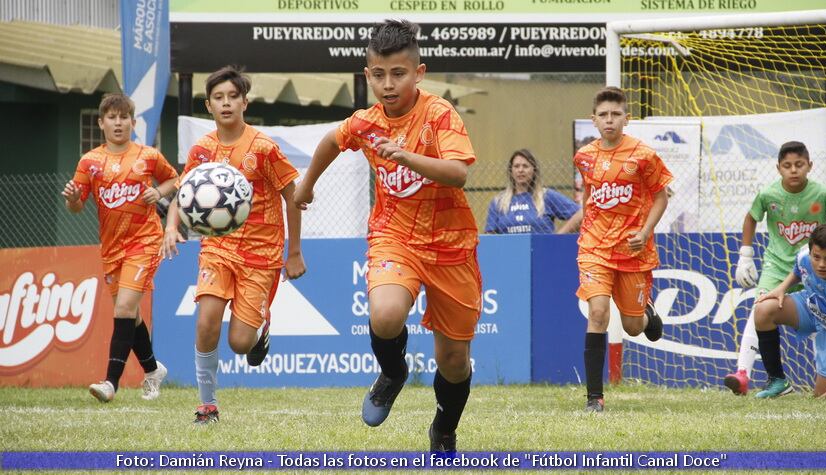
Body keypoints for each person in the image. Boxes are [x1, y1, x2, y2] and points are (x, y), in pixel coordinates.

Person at [293, 20, 480, 452]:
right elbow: (331, 141)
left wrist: (407, 156)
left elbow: (459, 173)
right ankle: (393, 373)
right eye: (379, 75)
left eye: (398, 74)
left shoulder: (439, 114)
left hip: (452, 246)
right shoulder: (365, 122)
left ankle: (444, 428)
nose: (388, 84)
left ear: (419, 72)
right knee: (385, 315)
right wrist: (307, 185)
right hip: (394, 236)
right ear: (367, 76)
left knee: (453, 363)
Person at [161, 66, 306, 424]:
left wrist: (295, 253)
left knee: (240, 343)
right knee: (206, 320)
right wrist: (170, 226)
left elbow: (293, 196)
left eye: (232, 97)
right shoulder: (201, 150)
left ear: (245, 102)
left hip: (261, 256)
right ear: (208, 106)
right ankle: (207, 406)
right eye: (218, 98)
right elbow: (184, 193)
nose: (226, 103)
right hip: (217, 249)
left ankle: (261, 328)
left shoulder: (264, 149)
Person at [62, 93, 176, 403]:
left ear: (133, 122)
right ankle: (153, 370)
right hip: (111, 247)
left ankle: (110, 382)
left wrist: (159, 191)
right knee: (131, 315)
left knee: (124, 308)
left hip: (145, 241)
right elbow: (76, 206)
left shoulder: (148, 156)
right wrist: (73, 198)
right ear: (101, 123)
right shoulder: (90, 161)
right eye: (111, 117)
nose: (118, 122)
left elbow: (174, 180)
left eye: (123, 117)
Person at [574, 86, 672, 413]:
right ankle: (594, 398)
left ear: (626, 119)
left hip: (633, 250)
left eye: (616, 114)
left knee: (631, 327)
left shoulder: (643, 155)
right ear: (594, 120)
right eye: (603, 115)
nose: (610, 120)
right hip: (594, 248)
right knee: (598, 312)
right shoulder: (584, 156)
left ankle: (646, 313)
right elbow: (590, 196)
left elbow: (661, 195)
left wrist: (645, 232)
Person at [725, 141, 826, 396]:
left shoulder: (824, 194)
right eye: (787, 166)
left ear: (810, 165)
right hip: (779, 266)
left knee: (823, 319)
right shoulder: (768, 194)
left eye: (799, 164)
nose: (794, 170)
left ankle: (824, 378)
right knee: (761, 308)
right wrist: (746, 255)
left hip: (817, 266)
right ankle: (744, 373)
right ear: (778, 169)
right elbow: (751, 217)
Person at [753, 223, 826, 398]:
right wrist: (782, 288)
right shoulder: (804, 255)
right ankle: (778, 382)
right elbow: (798, 270)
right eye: (816, 257)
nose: (821, 264)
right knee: (764, 310)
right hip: (812, 306)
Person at [485, 149, 582, 234]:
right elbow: (489, 234)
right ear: (511, 171)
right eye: (516, 166)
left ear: (534, 170)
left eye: (525, 166)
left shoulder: (546, 196)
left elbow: (582, 213)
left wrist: (559, 236)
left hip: (542, 251)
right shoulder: (499, 201)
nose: (520, 170)